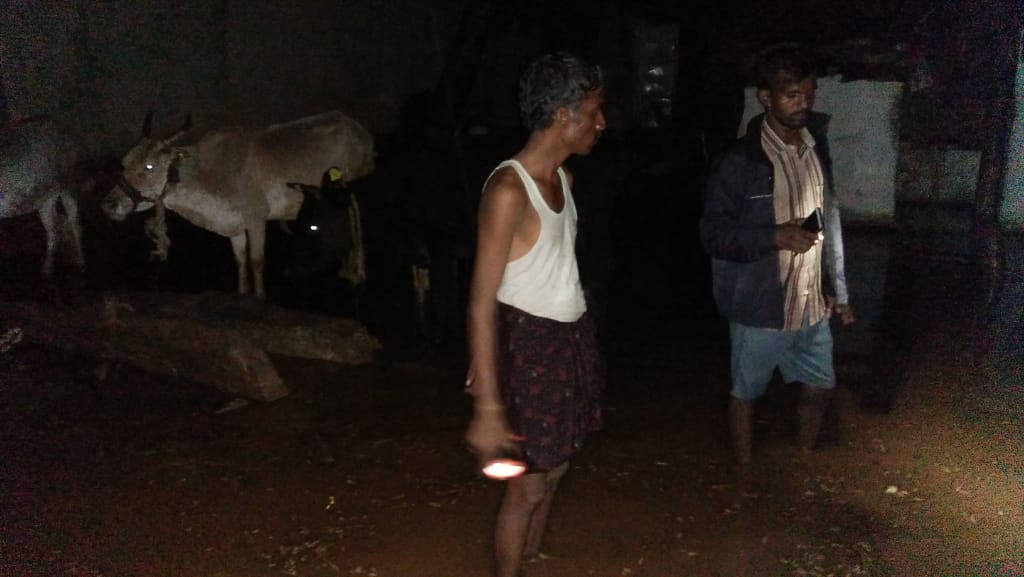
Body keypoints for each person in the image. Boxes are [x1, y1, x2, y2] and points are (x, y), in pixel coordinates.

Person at [464, 52, 606, 577]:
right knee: (527, 486)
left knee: (559, 465)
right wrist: (487, 407)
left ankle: (531, 559)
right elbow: (480, 301)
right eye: (594, 111)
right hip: (527, 348)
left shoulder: (563, 181)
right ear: (565, 116)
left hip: (568, 339)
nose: (601, 123)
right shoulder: (508, 191)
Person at [699, 44, 856, 479]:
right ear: (765, 97)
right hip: (759, 305)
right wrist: (773, 236)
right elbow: (712, 234)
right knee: (745, 394)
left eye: (809, 93)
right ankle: (744, 480)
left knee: (821, 387)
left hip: (810, 305)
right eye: (791, 95)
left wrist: (836, 291)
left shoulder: (816, 148)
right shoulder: (738, 162)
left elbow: (828, 223)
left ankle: (802, 465)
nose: (803, 103)